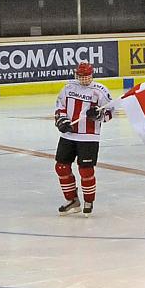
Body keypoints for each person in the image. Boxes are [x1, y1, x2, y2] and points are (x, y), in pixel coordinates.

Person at [53, 62, 114, 217]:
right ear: (76, 75)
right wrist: (62, 120)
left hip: (89, 137)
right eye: (81, 76)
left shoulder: (100, 91)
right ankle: (72, 201)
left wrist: (98, 115)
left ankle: (88, 201)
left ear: (92, 75)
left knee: (85, 170)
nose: (84, 79)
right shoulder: (68, 88)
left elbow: (109, 113)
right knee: (61, 167)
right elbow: (60, 107)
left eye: (87, 76)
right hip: (68, 136)